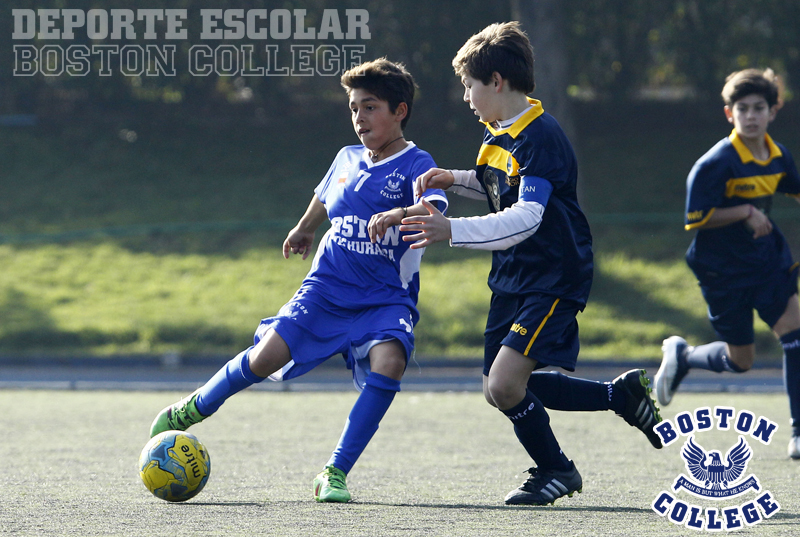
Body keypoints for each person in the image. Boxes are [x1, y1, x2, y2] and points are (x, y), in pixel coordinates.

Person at [149, 58, 448, 502]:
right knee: (264, 358)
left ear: (399, 111)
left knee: (390, 362)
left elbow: (436, 211)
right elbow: (324, 194)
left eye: (370, 107)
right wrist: (305, 225)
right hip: (326, 288)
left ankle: (334, 472)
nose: (359, 118)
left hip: (384, 297)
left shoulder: (417, 164)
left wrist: (401, 213)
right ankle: (190, 409)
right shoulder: (346, 157)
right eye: (353, 108)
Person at [404, 21, 662, 506]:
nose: (465, 97)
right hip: (514, 275)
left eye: (468, 86)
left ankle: (557, 470)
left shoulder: (541, 136)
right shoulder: (498, 135)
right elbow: (498, 187)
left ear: (496, 81)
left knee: (505, 384)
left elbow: (526, 217)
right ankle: (619, 397)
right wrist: (456, 178)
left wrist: (452, 231)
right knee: (498, 388)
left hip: (552, 275)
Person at [654, 68, 800, 459]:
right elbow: (695, 218)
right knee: (742, 361)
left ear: (773, 111)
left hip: (768, 261)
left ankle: (799, 432)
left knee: (795, 332)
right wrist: (745, 211)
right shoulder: (715, 164)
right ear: (729, 114)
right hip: (723, 270)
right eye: (743, 109)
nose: (751, 116)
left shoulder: (778, 155)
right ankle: (683, 356)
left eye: (759, 108)